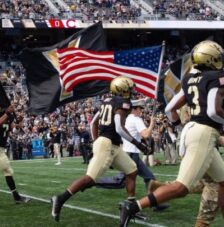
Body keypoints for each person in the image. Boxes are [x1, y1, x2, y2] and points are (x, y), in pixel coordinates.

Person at [120, 40, 224, 226]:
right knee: (182, 187)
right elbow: (213, 112)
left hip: (193, 129)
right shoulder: (216, 77)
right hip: (205, 133)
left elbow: (169, 109)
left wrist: (181, 126)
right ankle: (134, 206)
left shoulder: (189, 79)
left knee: (222, 181)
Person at [51, 76, 149, 222]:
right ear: (121, 90)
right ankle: (60, 199)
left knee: (132, 170)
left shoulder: (106, 101)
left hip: (111, 144)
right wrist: (139, 144)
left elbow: (93, 124)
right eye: (128, 88)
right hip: (108, 144)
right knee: (90, 178)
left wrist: (96, 140)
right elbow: (119, 129)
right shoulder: (123, 103)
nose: (131, 91)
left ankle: (130, 207)